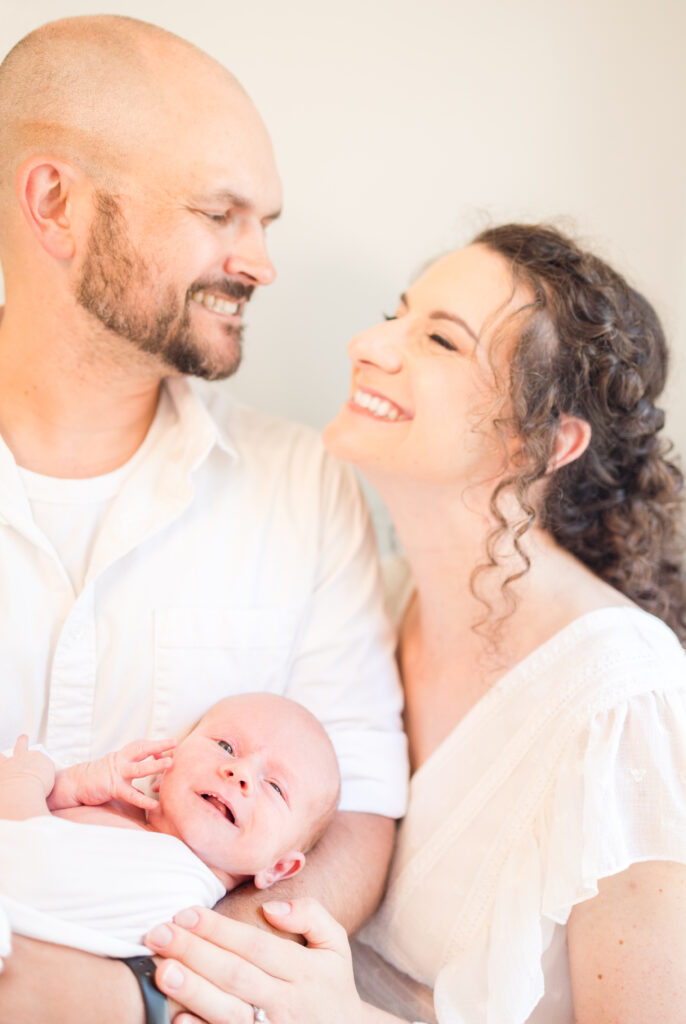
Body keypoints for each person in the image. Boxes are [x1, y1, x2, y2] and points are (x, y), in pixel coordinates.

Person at [145, 223, 686, 1024]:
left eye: (438, 340)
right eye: (396, 314)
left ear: (544, 440)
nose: (370, 344)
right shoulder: (370, 603)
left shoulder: (620, 699)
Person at [0, 14, 407, 1022]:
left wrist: (141, 995)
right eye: (220, 213)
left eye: (265, 220)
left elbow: (354, 807)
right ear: (57, 205)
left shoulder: (302, 485)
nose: (260, 262)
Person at [0, 693, 340, 962]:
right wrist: (72, 785)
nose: (241, 772)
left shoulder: (177, 889)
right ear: (163, 771)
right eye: (225, 746)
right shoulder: (129, 827)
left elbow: (25, 867)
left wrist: (24, 781)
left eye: (276, 787)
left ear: (278, 867)